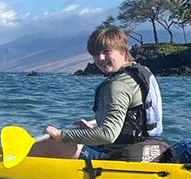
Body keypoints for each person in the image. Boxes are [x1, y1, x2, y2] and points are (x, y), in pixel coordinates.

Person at [29, 26, 164, 161]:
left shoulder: (119, 85)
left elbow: (108, 135)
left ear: (123, 51)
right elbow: (132, 123)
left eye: (107, 51)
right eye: (95, 53)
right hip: (147, 150)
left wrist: (61, 135)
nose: (100, 58)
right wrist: (89, 130)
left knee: (46, 144)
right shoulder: (141, 72)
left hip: (119, 157)